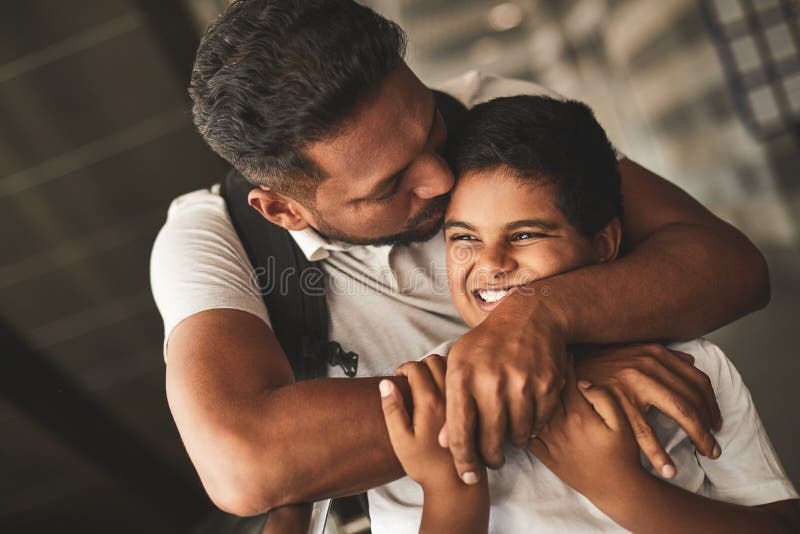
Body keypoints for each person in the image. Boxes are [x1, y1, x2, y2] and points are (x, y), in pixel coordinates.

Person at [150, 0, 770, 517]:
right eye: (391, 186)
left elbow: (728, 267)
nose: (442, 178)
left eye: (429, 129)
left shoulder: (492, 108)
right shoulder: (213, 242)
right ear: (283, 211)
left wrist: (541, 318)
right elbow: (247, 463)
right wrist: (563, 372)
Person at [377, 95, 799, 533]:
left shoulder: (685, 368)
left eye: (523, 234)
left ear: (603, 245)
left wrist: (619, 488)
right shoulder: (426, 413)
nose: (492, 262)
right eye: (464, 237)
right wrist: (451, 490)